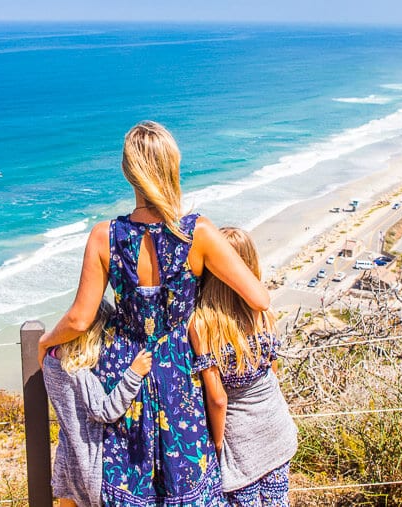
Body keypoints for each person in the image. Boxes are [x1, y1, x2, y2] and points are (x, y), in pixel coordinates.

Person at [38, 120, 269, 506]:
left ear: (129, 173)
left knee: (129, 481)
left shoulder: (104, 235)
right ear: (172, 167)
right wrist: (205, 314)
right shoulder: (199, 232)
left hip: (123, 371)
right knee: (186, 482)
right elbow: (258, 298)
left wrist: (45, 342)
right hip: (179, 373)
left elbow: (80, 319)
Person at [189, 227, 298, 506]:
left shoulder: (203, 324)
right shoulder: (262, 313)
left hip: (239, 438)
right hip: (275, 424)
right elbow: (272, 371)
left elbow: (218, 398)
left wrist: (215, 442)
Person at [43, 299, 153, 507]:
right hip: (88, 460)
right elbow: (104, 411)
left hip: (66, 454)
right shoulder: (79, 371)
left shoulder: (51, 359)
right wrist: (133, 375)